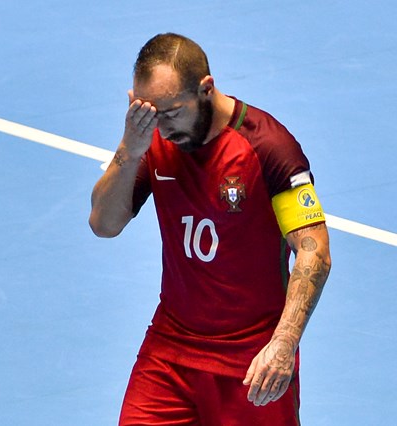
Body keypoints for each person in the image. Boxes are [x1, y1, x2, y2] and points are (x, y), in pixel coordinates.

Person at [89, 33, 332, 426]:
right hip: (170, 351)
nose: (162, 129)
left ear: (206, 89)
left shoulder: (268, 145)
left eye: (171, 113)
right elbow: (104, 223)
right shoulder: (151, 140)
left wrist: (284, 344)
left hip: (252, 362)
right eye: (149, 114)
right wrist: (129, 151)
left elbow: (313, 249)